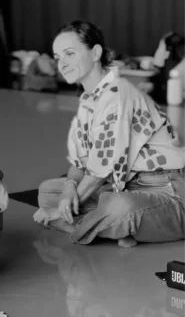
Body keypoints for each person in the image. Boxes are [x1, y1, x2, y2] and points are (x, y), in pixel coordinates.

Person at [33, 20, 185, 247]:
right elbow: (80, 163)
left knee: (119, 207)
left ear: (95, 53)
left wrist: (59, 211)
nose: (62, 64)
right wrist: (68, 190)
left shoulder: (119, 93)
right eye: (58, 57)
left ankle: (82, 226)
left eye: (69, 54)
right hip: (127, 186)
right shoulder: (87, 102)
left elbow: (101, 168)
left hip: (169, 191)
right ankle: (117, 228)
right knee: (48, 191)